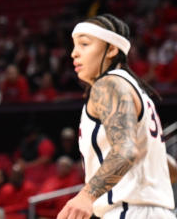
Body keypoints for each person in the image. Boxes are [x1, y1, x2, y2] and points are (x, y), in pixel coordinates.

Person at [57, 15, 176, 219]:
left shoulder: (109, 84)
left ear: (111, 49)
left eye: (84, 44)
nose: (74, 53)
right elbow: (170, 169)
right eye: (74, 45)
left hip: (128, 212)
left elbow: (126, 150)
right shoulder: (134, 91)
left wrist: (86, 196)